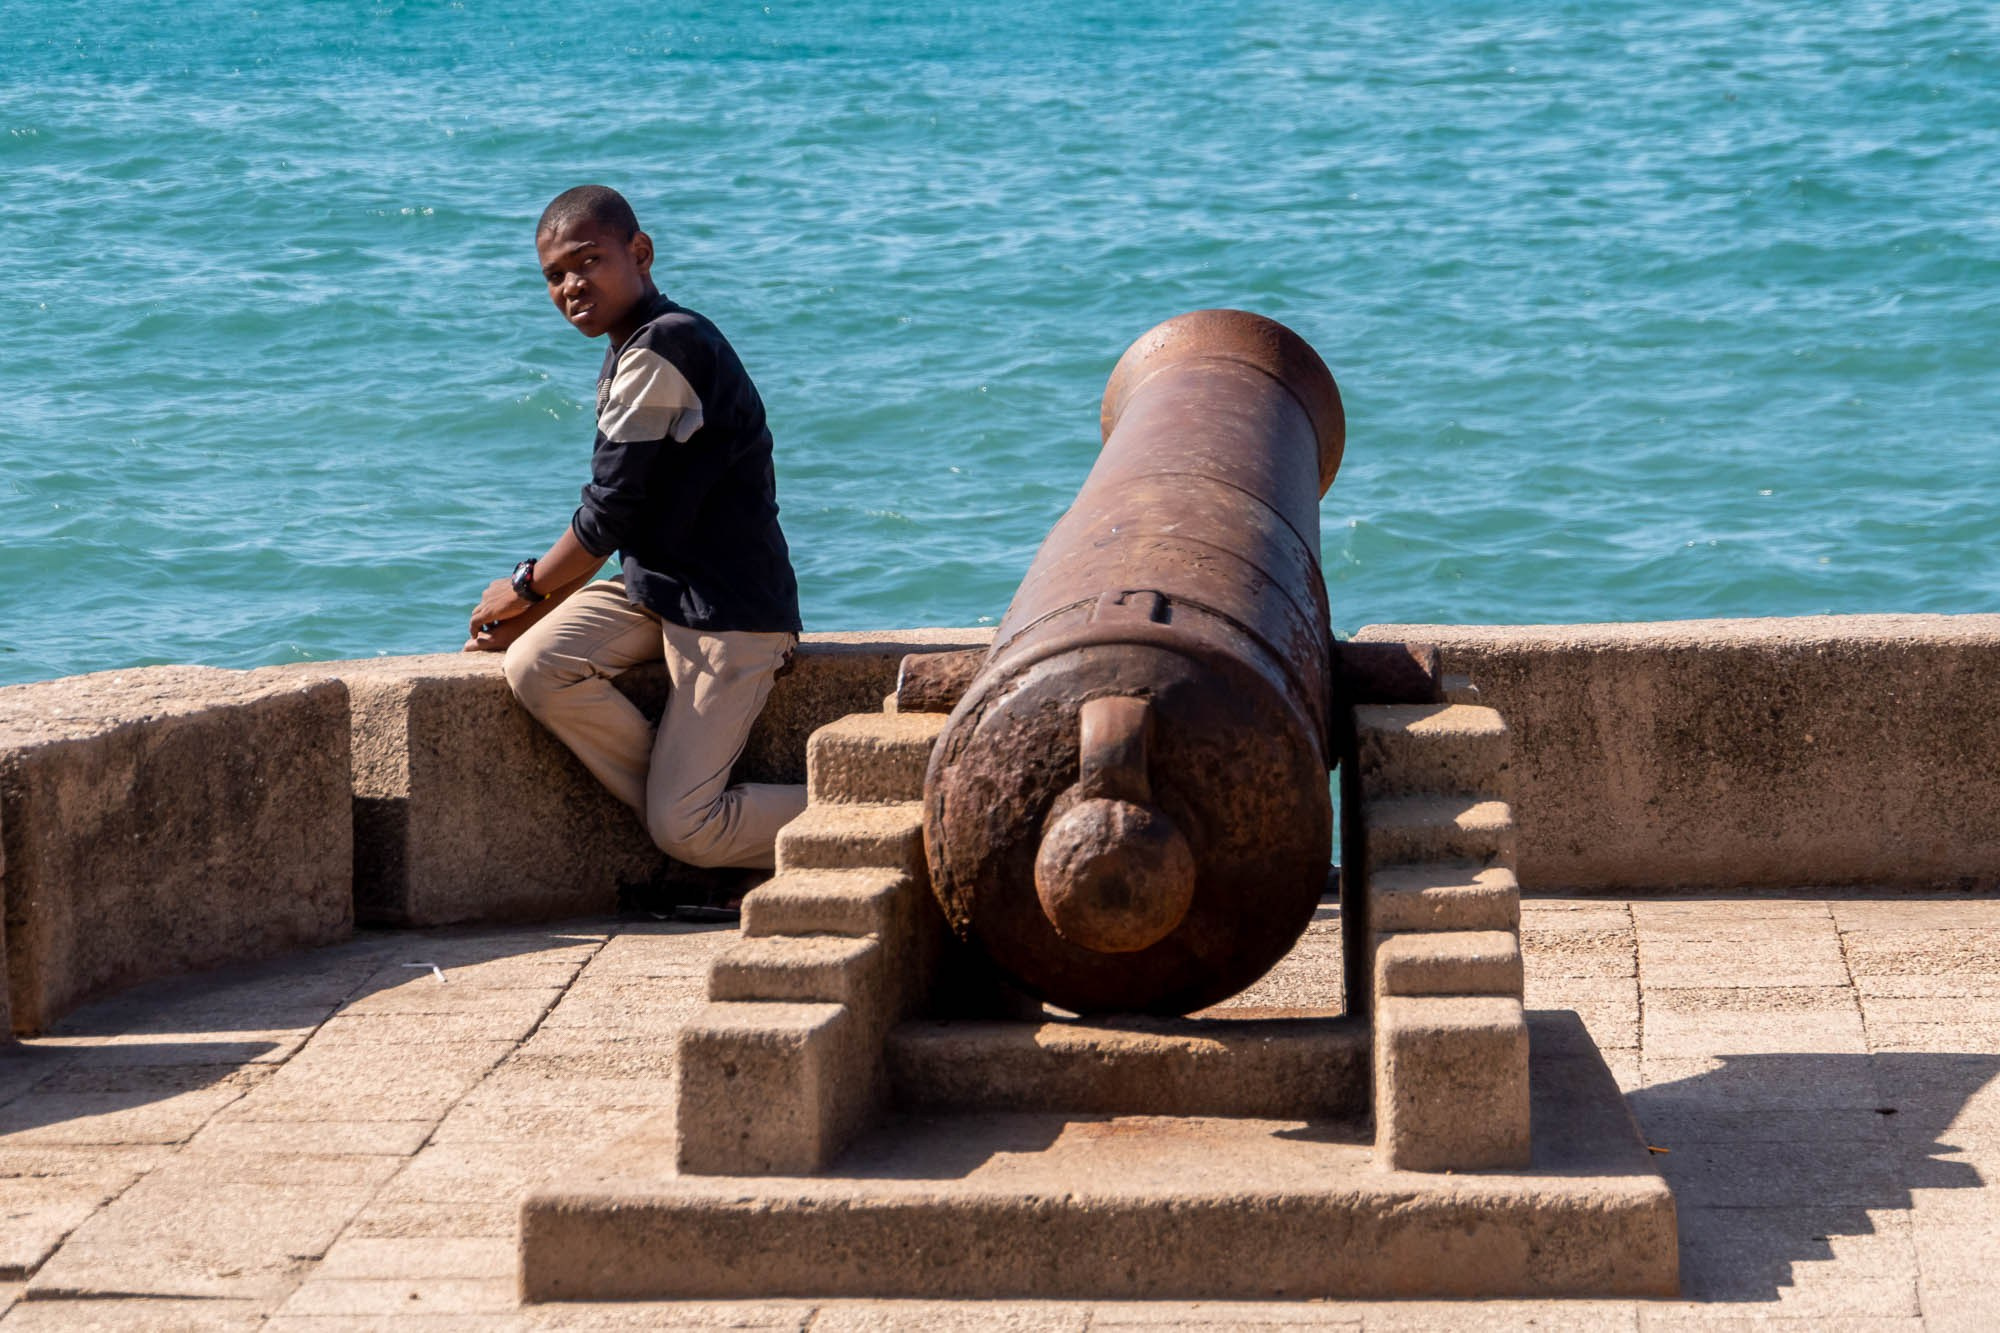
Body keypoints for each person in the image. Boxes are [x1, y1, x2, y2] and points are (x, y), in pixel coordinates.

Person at [466, 184, 806, 873]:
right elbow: (626, 515)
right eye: (554, 276)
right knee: (537, 665)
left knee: (688, 828)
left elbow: (607, 513)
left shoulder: (666, 347)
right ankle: (677, 796)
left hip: (729, 611)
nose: (570, 286)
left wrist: (527, 587)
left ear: (640, 252)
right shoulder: (637, 347)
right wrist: (543, 610)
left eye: (587, 261)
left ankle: (879, 814)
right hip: (658, 588)